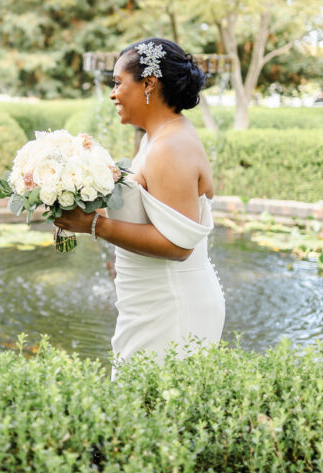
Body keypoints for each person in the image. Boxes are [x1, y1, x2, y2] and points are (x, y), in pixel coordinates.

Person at [54, 37, 224, 365]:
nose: (112, 93)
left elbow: (178, 246)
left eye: (118, 83)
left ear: (148, 83)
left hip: (172, 307)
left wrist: (93, 225)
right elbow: (146, 211)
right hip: (149, 303)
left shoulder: (169, 148)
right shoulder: (157, 138)